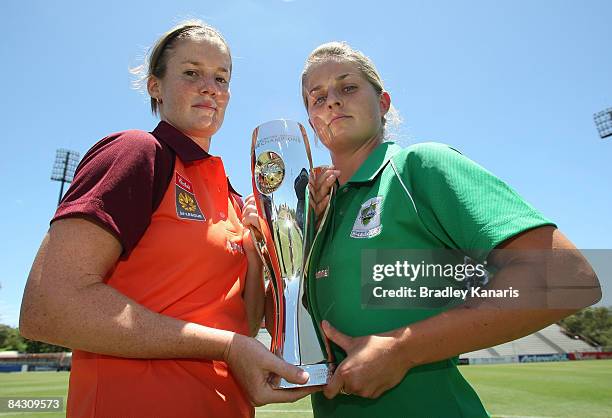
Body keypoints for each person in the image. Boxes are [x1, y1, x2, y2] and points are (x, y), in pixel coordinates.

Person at [19, 21, 316, 418]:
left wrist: (256, 252)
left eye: (221, 77)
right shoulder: (137, 153)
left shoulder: (230, 195)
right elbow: (49, 307)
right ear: (155, 86)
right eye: (192, 73)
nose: (210, 87)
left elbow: (241, 328)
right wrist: (223, 347)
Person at [301, 42, 601, 417]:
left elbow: (566, 277)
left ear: (383, 104)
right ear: (311, 122)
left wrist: (403, 349)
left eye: (347, 88)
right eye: (317, 98)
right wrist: (268, 242)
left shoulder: (420, 167)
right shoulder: (314, 213)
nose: (331, 102)